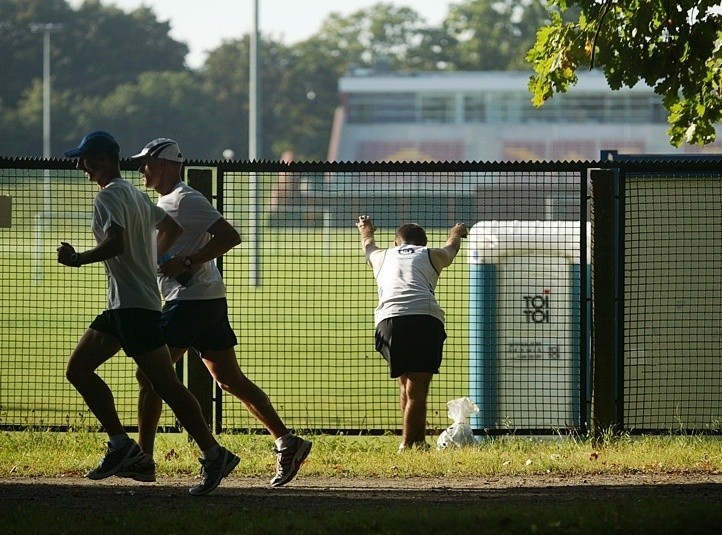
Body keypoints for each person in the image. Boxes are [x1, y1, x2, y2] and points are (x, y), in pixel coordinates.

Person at [58, 130, 240, 497]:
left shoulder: (109, 196)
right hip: (128, 304)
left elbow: (116, 243)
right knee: (81, 369)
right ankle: (125, 446)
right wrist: (150, 261)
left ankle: (209, 452)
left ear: (107, 160)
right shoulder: (137, 196)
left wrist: (78, 259)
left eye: (87, 159)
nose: (81, 165)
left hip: (132, 308)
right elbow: (170, 226)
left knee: (164, 384)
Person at [127, 138, 311, 487]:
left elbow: (229, 235)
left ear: (166, 164)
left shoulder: (185, 199)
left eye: (146, 163)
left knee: (151, 375)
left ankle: (144, 458)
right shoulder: (167, 202)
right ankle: (287, 442)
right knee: (229, 380)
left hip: (190, 302)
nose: (141, 170)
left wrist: (189, 260)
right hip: (204, 300)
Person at [356, 215, 468, 451]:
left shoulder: (381, 256)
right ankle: (408, 445)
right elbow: (451, 249)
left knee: (405, 383)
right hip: (424, 318)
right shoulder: (430, 254)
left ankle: (417, 443)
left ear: (397, 243)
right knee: (418, 389)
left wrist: (366, 228)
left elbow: (368, 245)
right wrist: (456, 231)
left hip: (388, 321)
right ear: (423, 243)